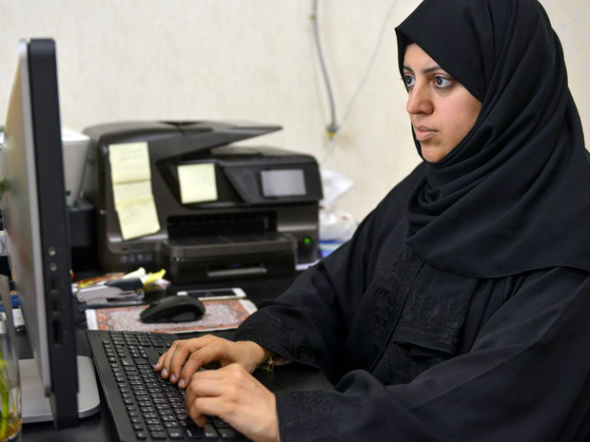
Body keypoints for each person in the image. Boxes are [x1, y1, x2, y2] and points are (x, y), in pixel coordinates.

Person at [156, 0, 590, 440]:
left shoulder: (572, 235)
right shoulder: (432, 189)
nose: (414, 105)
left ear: (510, 88)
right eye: (408, 79)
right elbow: (334, 288)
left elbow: (488, 400)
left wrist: (289, 420)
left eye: (441, 81)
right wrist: (258, 346)